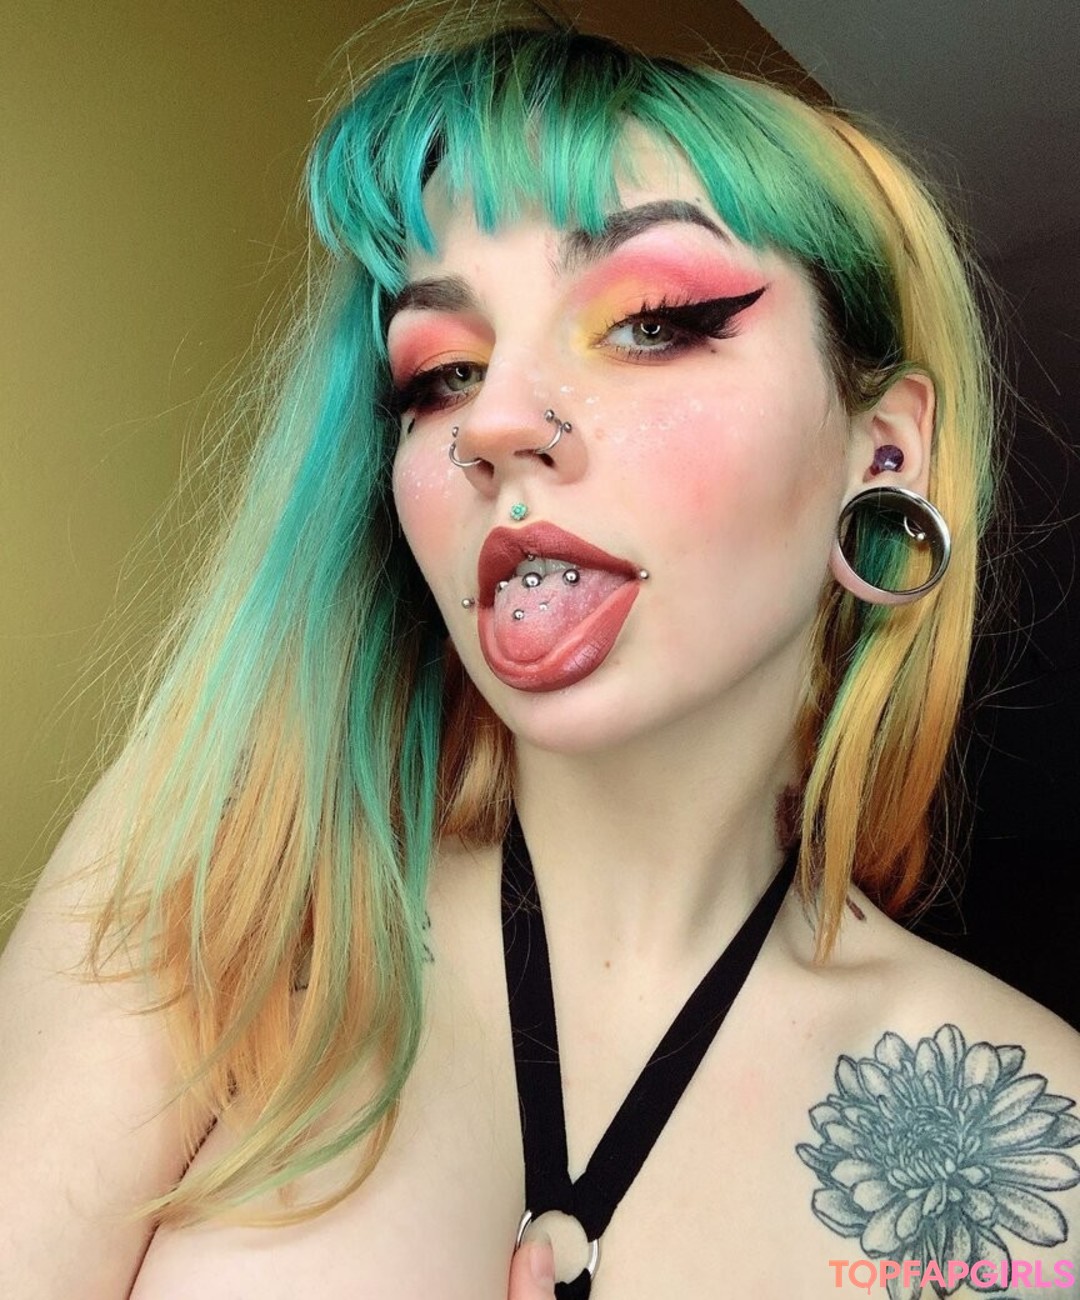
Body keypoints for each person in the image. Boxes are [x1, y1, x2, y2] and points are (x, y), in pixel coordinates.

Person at [2, 13, 1079, 1300]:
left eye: (652, 321)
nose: (495, 421)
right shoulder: (224, 892)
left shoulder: (1037, 1140)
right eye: (440, 375)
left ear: (883, 451)